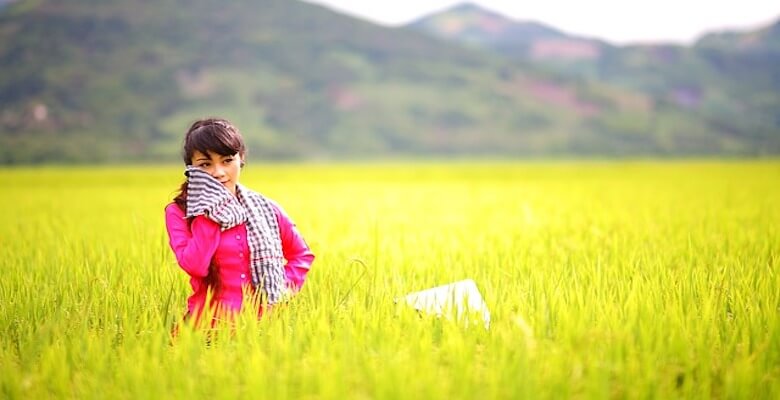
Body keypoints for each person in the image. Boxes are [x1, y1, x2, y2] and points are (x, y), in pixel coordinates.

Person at [164, 118, 314, 327]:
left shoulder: (266, 208)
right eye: (206, 164)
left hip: (263, 328)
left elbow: (301, 255)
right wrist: (210, 213)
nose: (218, 172)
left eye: (227, 160)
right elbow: (195, 266)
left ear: (240, 159)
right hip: (206, 327)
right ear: (191, 169)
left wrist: (281, 288)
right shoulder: (180, 212)